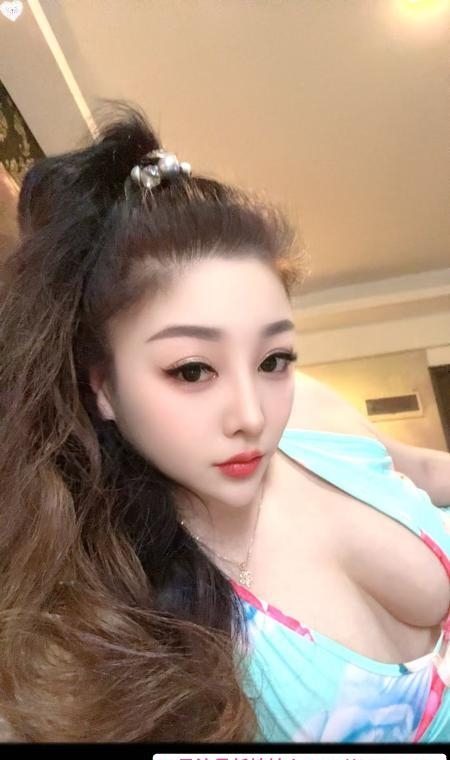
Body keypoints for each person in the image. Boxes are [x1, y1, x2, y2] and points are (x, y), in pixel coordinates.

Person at [0, 103, 449, 744]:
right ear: (104, 388)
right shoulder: (118, 611)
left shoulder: (311, 413)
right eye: (191, 370)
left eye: (273, 360)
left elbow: (428, 469)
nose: (252, 416)